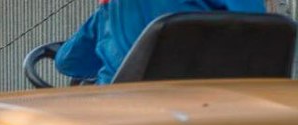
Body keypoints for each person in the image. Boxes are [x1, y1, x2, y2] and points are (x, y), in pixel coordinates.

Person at [56, 0, 267, 84]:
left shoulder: (117, 9)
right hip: (226, 108)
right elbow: (257, 28)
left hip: (122, 118)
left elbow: (69, 62)